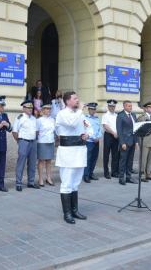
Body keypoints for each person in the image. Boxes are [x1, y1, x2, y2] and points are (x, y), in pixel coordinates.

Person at [55, 91, 88, 224]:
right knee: (67, 183)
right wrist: (80, 110)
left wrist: (88, 134)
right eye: (75, 98)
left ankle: (74, 210)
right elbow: (72, 124)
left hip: (79, 151)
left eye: (77, 98)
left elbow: (87, 126)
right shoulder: (62, 114)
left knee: (75, 183)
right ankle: (67, 213)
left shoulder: (79, 114)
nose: (78, 100)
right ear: (67, 101)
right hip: (68, 152)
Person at [12, 100, 39, 191]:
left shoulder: (34, 118)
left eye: (31, 108)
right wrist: (19, 141)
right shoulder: (20, 118)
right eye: (28, 108)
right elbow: (15, 131)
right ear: (23, 108)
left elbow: (37, 131)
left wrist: (35, 138)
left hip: (33, 142)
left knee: (32, 163)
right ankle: (18, 183)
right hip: (23, 142)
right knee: (21, 163)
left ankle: (31, 182)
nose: (30, 109)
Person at [116, 100, 138, 185]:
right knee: (123, 160)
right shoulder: (120, 115)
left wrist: (136, 142)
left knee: (130, 161)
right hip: (125, 142)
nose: (130, 107)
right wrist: (122, 143)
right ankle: (121, 178)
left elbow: (135, 129)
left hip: (132, 141)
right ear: (124, 106)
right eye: (129, 106)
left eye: (131, 106)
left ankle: (129, 177)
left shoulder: (133, 115)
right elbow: (119, 130)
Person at [136, 102, 151, 182]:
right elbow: (140, 128)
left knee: (150, 159)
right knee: (143, 159)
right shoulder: (141, 117)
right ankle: (142, 175)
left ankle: (148, 174)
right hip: (145, 141)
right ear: (145, 109)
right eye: (149, 107)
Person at [36, 103, 56, 186]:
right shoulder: (39, 120)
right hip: (42, 142)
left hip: (50, 141)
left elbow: (55, 131)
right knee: (41, 161)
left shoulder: (52, 120)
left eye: (49, 109)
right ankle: (40, 179)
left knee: (49, 161)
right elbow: (36, 132)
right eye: (46, 109)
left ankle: (48, 178)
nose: (48, 110)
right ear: (43, 110)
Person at [83, 102, 103, 183]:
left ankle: (91, 173)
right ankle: (86, 175)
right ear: (88, 110)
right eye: (91, 109)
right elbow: (85, 130)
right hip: (89, 141)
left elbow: (99, 129)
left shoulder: (97, 118)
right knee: (88, 159)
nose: (92, 111)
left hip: (96, 141)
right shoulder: (85, 118)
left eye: (94, 109)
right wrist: (93, 137)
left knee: (94, 158)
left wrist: (98, 137)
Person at [102, 99, 119, 179]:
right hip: (108, 136)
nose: (112, 108)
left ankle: (114, 172)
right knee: (106, 155)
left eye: (113, 106)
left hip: (116, 136)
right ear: (108, 106)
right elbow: (105, 126)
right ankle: (106, 172)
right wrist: (113, 133)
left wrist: (117, 133)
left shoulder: (117, 115)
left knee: (115, 155)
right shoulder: (105, 115)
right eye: (110, 106)